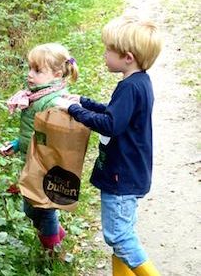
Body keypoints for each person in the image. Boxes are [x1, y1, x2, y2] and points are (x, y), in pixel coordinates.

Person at [55, 14, 162, 275]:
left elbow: (110, 124)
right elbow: (115, 114)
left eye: (108, 50)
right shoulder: (139, 83)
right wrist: (83, 101)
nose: (104, 54)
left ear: (127, 57)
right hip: (128, 172)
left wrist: (73, 109)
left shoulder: (130, 88)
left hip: (121, 176)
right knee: (121, 237)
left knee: (119, 237)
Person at [0, 43, 79, 251]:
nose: (30, 75)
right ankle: (55, 234)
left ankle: (51, 249)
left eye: (37, 70)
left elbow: (58, 138)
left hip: (46, 165)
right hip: (33, 161)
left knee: (44, 207)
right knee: (30, 206)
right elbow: (31, 132)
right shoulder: (35, 97)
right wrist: (17, 145)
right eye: (29, 69)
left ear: (57, 73)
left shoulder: (54, 102)